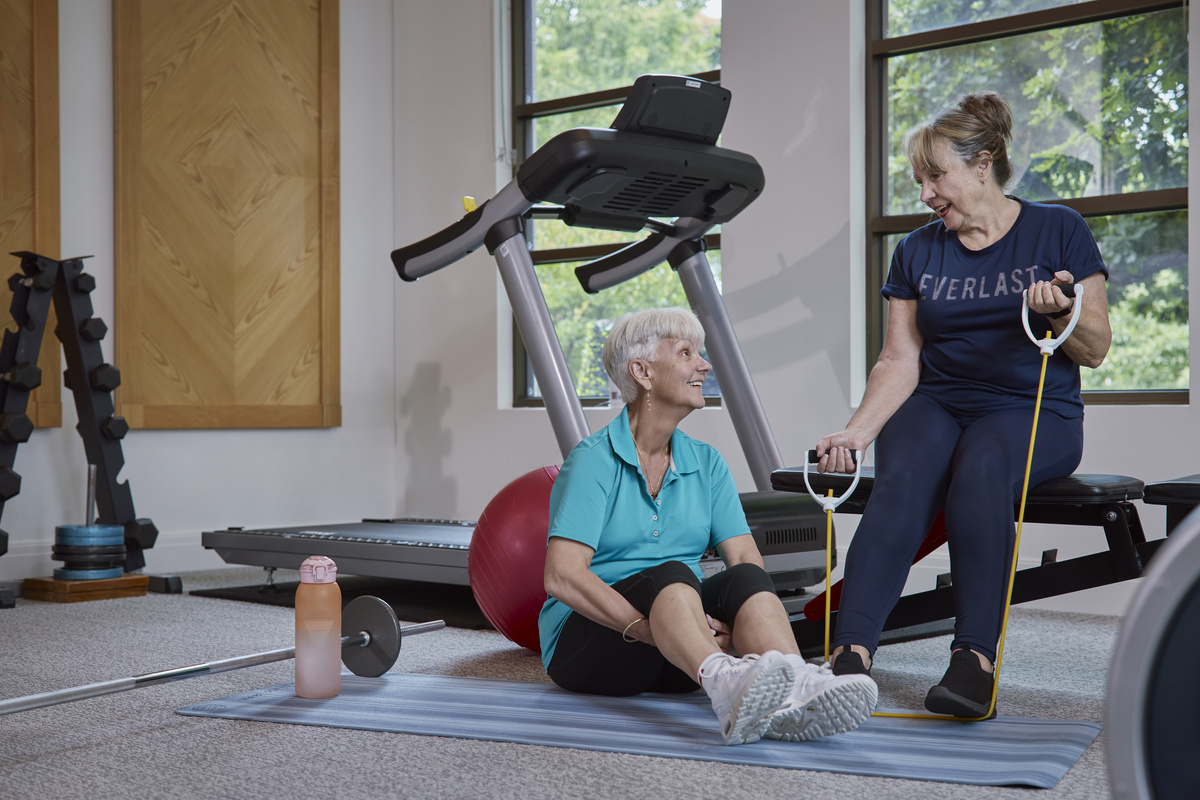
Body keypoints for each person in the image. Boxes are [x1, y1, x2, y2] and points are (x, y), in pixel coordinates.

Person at [815, 91, 1112, 718]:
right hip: (937, 402)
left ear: (983, 165)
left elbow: (1096, 348)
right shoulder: (918, 250)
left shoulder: (1059, 229)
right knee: (903, 478)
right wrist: (853, 436)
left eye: (936, 176)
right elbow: (899, 360)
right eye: (918, 181)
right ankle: (848, 657)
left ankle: (973, 662)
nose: (925, 193)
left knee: (980, 471)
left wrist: (1062, 315)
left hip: (1033, 410)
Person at [539, 307, 877, 745]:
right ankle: (723, 682)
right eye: (685, 353)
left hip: (682, 650)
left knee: (745, 577)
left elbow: (743, 561)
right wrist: (648, 630)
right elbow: (562, 575)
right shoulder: (592, 460)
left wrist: (731, 632)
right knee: (676, 572)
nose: (704, 364)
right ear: (641, 371)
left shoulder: (706, 462)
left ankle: (796, 685)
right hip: (595, 646)